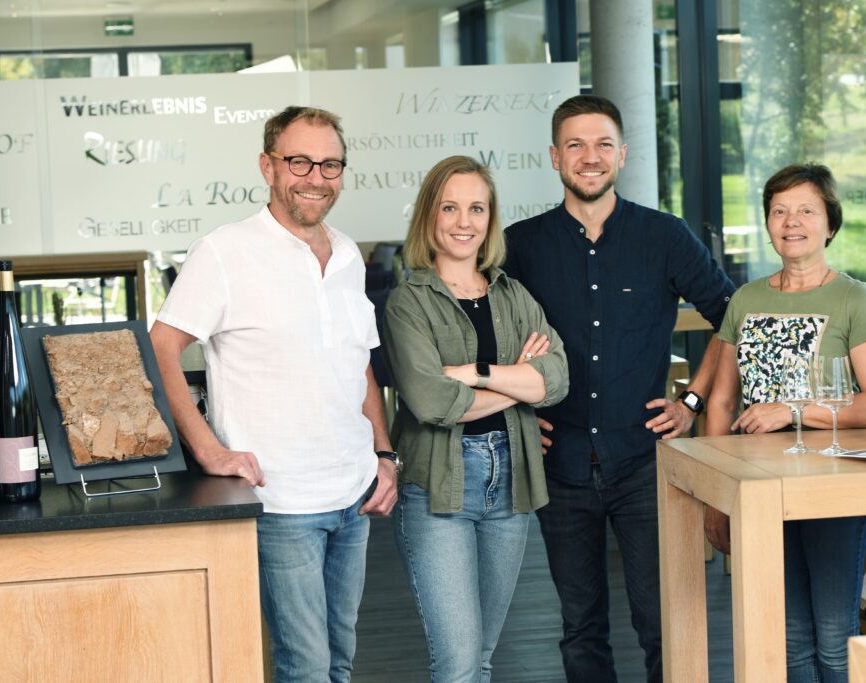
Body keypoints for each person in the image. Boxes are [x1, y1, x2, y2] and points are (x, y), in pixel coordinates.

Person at [151, 106, 398, 683]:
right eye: (300, 161)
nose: (316, 176)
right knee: (306, 668)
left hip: (354, 494)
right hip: (281, 503)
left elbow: (357, 362)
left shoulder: (346, 254)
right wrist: (210, 451)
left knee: (339, 663)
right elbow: (161, 347)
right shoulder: (225, 251)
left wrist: (383, 456)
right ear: (269, 166)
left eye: (330, 163)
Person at [503, 94, 736, 682]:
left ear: (623, 155)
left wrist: (693, 400)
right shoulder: (519, 245)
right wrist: (519, 409)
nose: (590, 157)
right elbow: (486, 336)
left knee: (662, 622)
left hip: (644, 461)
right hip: (561, 464)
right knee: (580, 627)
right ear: (554, 156)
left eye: (603, 144)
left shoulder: (665, 236)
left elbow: (732, 319)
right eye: (576, 145)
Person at [382, 155, 569, 683]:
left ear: (490, 219)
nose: (464, 221)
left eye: (477, 208)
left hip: (512, 484)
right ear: (430, 217)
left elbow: (556, 380)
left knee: (482, 657)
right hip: (439, 489)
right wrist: (517, 382)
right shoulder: (409, 302)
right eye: (450, 207)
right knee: (459, 663)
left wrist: (477, 372)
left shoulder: (513, 294)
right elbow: (433, 403)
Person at [704, 163, 866, 682]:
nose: (792, 221)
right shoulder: (746, 299)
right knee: (791, 642)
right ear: (767, 223)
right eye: (779, 210)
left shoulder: (854, 299)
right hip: (758, 491)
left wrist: (793, 409)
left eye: (807, 209)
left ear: (830, 224)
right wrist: (717, 497)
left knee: (832, 639)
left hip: (834, 487)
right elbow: (720, 402)